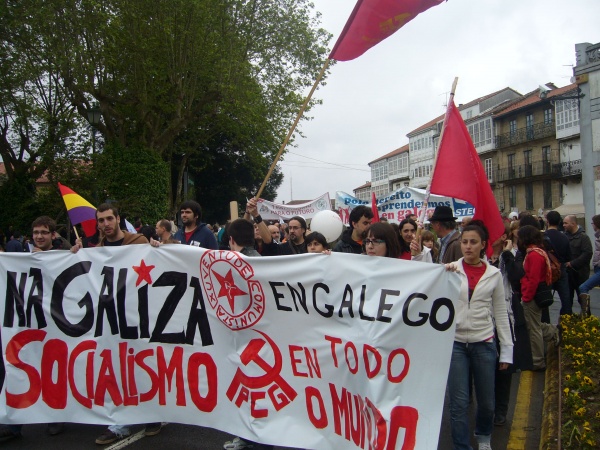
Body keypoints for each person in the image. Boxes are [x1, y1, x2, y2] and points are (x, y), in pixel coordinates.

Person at [70, 205, 161, 444]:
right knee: (116, 368)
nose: (106, 223)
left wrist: (157, 251)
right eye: (101, 220)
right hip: (111, 320)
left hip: (138, 316)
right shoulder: (95, 251)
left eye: (110, 218)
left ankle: (152, 414)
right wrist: (75, 254)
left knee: (142, 366)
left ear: (118, 219)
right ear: (97, 224)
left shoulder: (138, 242)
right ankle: (120, 422)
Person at [445, 221, 513, 450]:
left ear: (483, 245)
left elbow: (501, 312)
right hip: (455, 345)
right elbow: (427, 287)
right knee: (459, 403)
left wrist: (506, 351)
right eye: (464, 242)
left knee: (486, 403)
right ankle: (461, 445)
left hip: (484, 343)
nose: (468, 247)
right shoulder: (451, 269)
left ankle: (483, 437)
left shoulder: (494, 275)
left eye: (473, 242)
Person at [0, 216, 67, 442]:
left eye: (44, 232)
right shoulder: (22, 259)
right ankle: (15, 424)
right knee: (21, 368)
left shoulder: (63, 257)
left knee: (52, 369)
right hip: (29, 322)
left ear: (53, 235)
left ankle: (55, 416)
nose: (39, 236)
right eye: (36, 232)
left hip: (56, 323)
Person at [223, 219, 274, 450]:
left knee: (249, 388)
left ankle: (255, 439)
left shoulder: (230, 263)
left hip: (247, 338)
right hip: (264, 337)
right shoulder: (262, 261)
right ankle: (255, 436)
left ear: (231, 240)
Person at [518, 225, 561, 372]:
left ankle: (537, 360)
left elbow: (533, 279)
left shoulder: (533, 255)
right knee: (534, 323)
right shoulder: (538, 252)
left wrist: (526, 296)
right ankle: (553, 331)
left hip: (532, 295)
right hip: (537, 294)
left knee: (533, 327)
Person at [563, 215, 593, 314]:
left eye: (566, 223)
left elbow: (587, 253)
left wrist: (572, 263)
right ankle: (567, 322)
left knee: (583, 301)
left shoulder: (584, 237)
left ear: (573, 223)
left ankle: (587, 322)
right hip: (568, 275)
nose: (564, 225)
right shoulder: (565, 236)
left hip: (580, 274)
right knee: (567, 301)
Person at [544, 211, 572, 315]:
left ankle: (545, 322)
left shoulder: (543, 236)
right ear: (559, 221)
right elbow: (569, 256)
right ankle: (565, 321)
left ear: (547, 221)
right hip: (561, 269)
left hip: (547, 269)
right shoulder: (564, 237)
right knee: (565, 299)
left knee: (544, 297)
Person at [578, 214, 600, 316]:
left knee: (583, 287)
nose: (591, 225)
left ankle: (585, 316)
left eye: (592, 223)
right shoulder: (598, 235)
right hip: (597, 268)